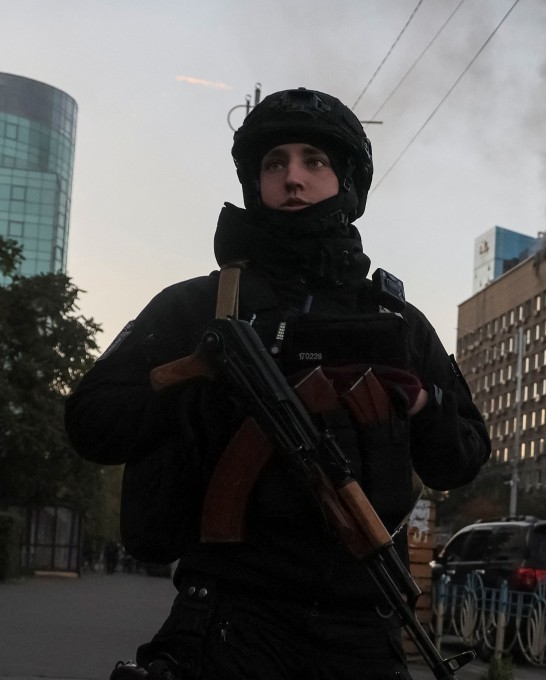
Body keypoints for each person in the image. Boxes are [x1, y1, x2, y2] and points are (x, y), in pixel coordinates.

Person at [65, 87, 491, 680]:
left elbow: (464, 458)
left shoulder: (396, 323)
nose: (293, 179)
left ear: (346, 182)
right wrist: (197, 386)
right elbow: (91, 422)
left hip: (361, 623)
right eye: (275, 163)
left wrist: (420, 401)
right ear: (255, 183)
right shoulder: (200, 307)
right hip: (231, 617)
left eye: (313, 161)